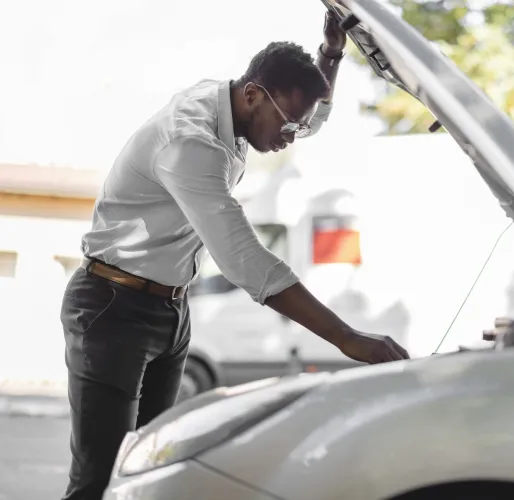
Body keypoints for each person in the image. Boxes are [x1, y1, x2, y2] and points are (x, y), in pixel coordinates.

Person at [59, 10, 409, 500]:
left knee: (147, 474)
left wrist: (330, 54)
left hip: (169, 309)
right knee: (98, 480)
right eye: (288, 125)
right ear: (252, 96)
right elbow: (245, 260)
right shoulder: (192, 141)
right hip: (112, 306)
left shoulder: (244, 107)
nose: (293, 136)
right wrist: (347, 338)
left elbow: (306, 116)